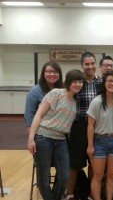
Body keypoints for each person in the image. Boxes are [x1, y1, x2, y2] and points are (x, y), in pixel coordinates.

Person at [27, 69, 84, 200]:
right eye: (75, 81)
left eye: (80, 81)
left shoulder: (74, 100)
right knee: (44, 176)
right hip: (43, 137)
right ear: (68, 82)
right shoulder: (56, 93)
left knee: (65, 176)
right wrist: (31, 139)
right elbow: (38, 114)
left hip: (61, 140)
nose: (78, 84)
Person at [65, 52, 102, 200]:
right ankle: (70, 194)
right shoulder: (77, 81)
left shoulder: (101, 82)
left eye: (92, 63)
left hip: (97, 127)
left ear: (96, 64)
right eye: (87, 64)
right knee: (75, 163)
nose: (90, 66)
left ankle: (91, 195)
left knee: (94, 162)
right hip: (79, 126)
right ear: (82, 66)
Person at [86, 71, 113, 200]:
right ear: (104, 83)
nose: (112, 84)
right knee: (98, 176)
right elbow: (90, 125)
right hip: (99, 141)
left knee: (112, 175)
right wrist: (90, 145)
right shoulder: (97, 101)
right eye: (109, 81)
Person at [24, 61, 63, 132]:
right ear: (43, 74)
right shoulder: (35, 91)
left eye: (55, 72)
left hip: (60, 133)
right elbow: (29, 115)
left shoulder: (63, 90)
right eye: (49, 71)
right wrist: (32, 136)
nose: (52, 74)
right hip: (42, 133)